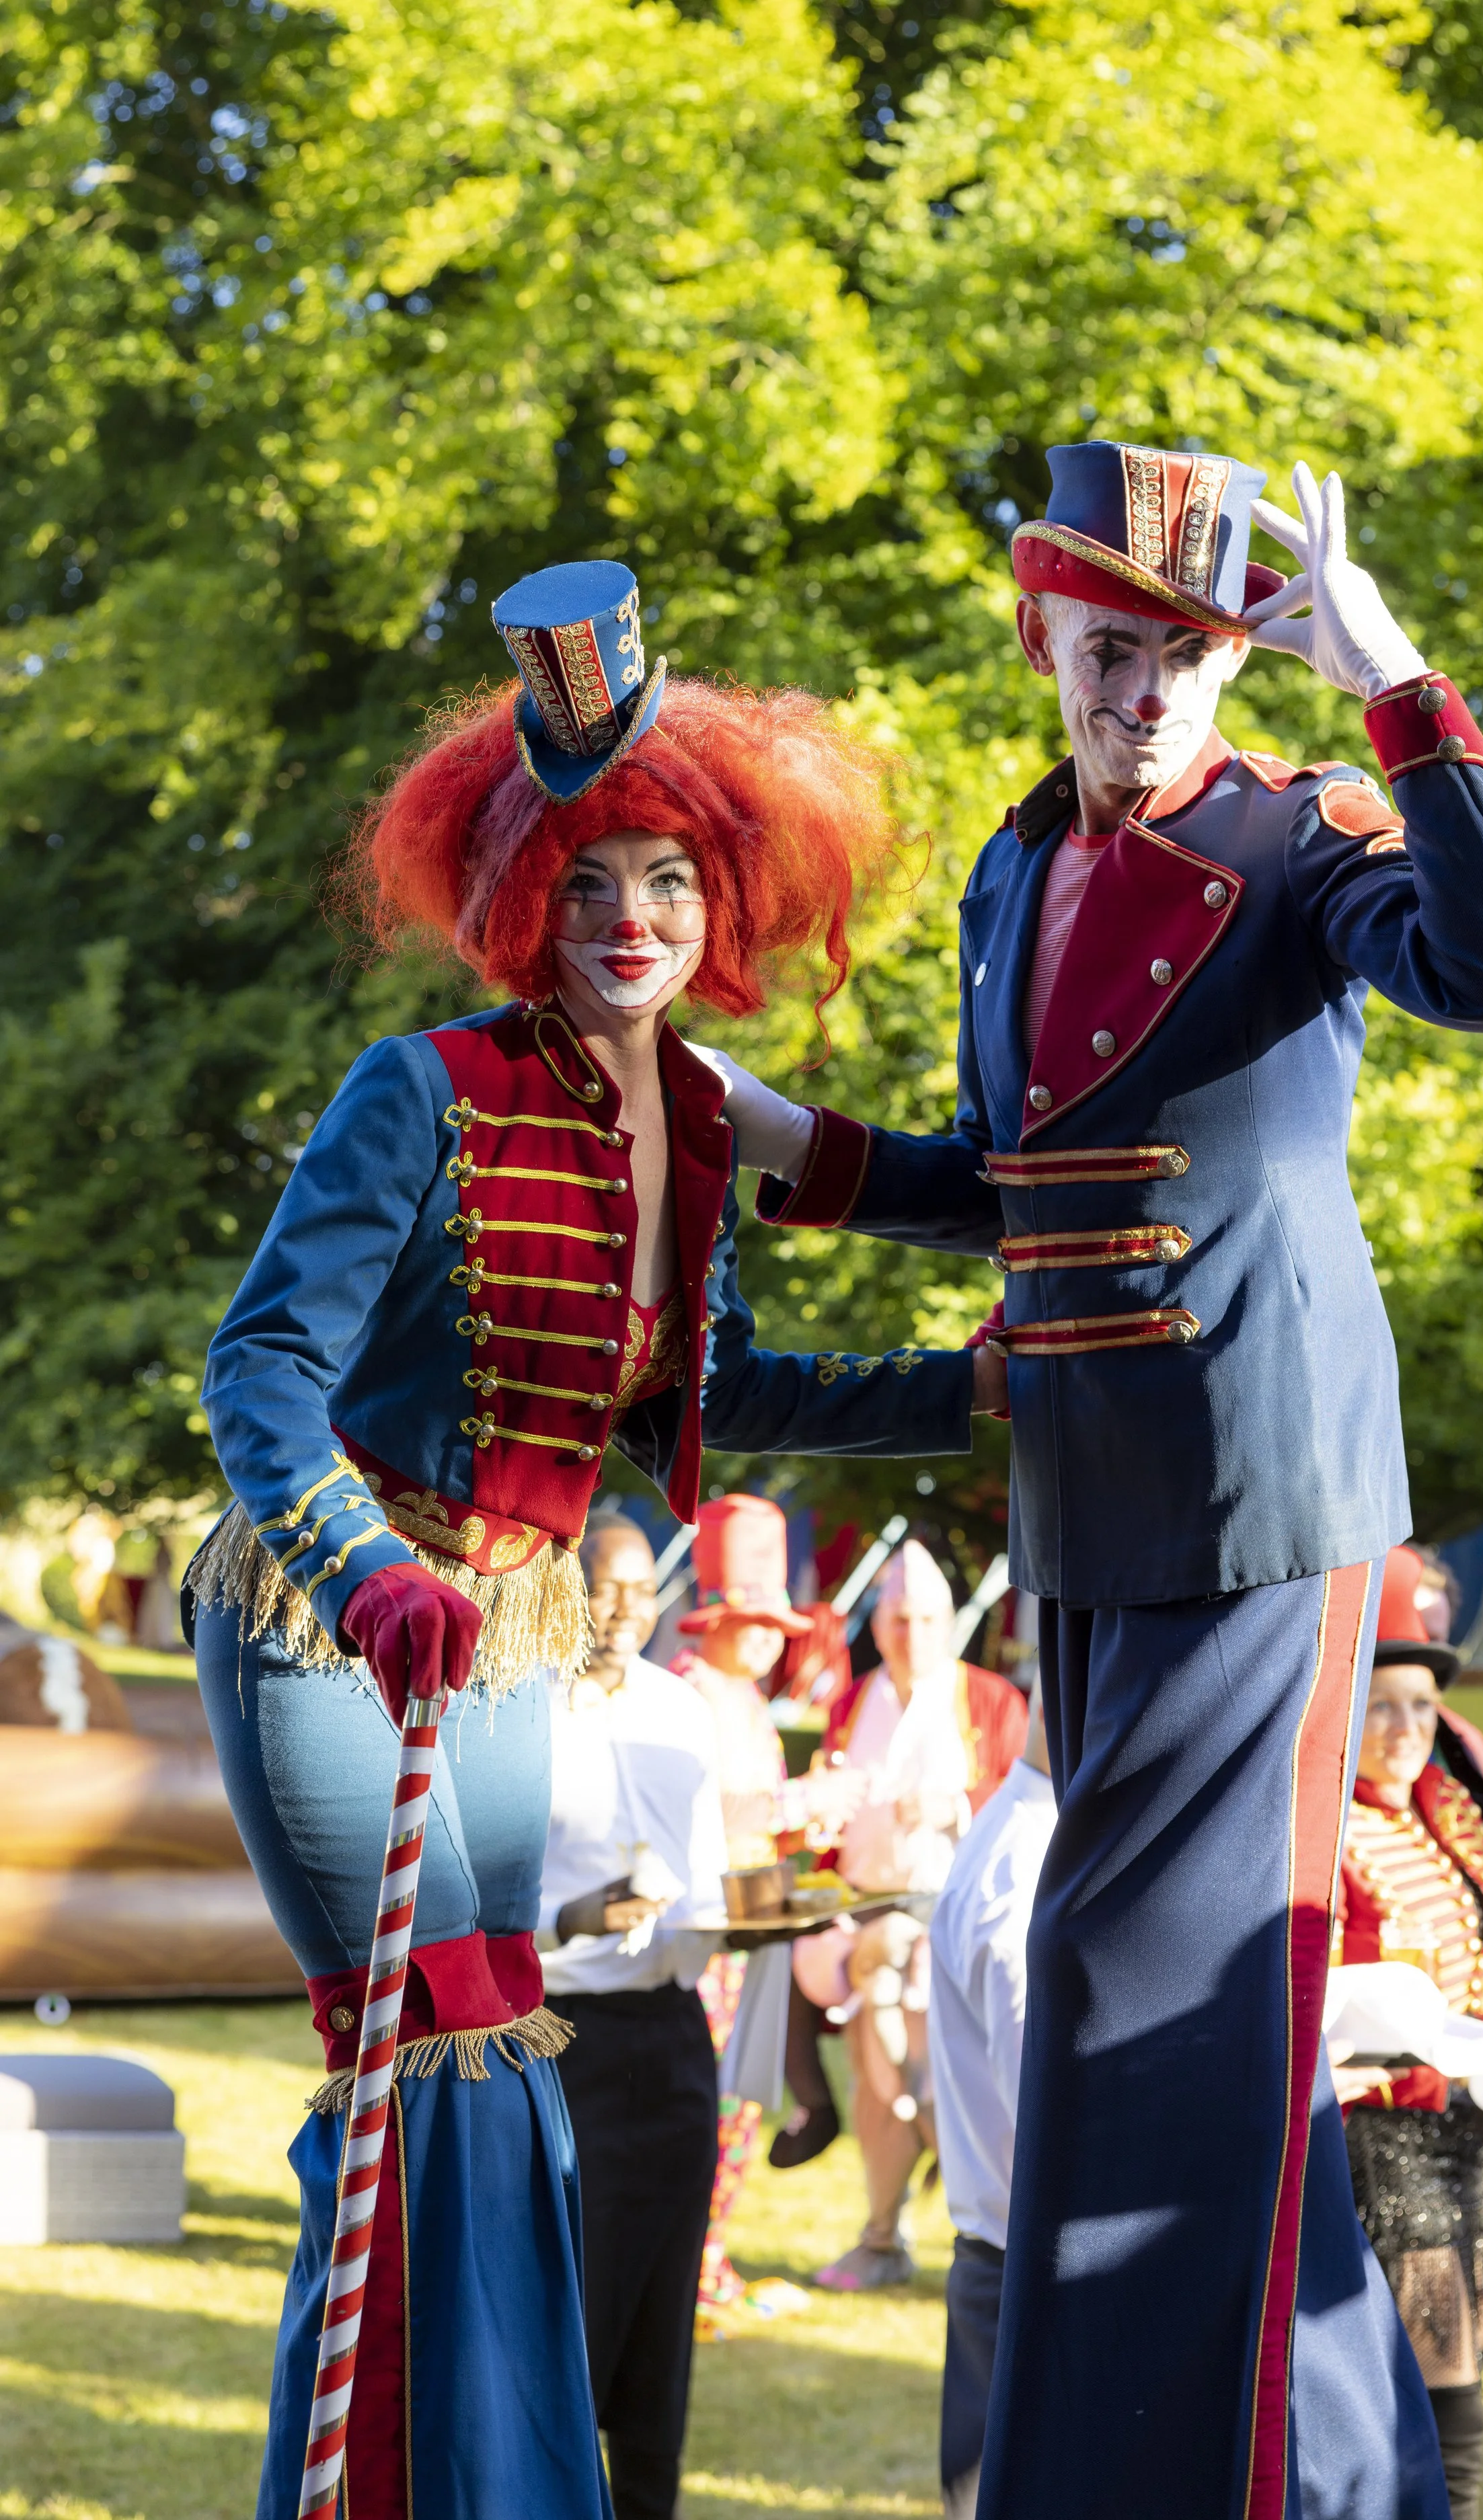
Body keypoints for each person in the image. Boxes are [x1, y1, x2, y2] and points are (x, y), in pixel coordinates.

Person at [712, 445, 1483, 2518]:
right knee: (1167, 2030)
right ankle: (1336, 2480)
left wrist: (1392, 681)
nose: (1148, 694)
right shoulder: (1013, 867)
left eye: (1186, 655)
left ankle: (1116, 2483)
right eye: (1111, 652)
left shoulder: (1301, 836)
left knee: (1148, 2006)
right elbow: (1013, 1187)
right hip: (1075, 1504)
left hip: (1257, 1501)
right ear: (1043, 640)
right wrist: (775, 1138)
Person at [185, 561, 988, 2520]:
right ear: (519, 901)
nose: (630, 917)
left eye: (668, 880)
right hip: (329, 1606)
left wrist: (973, 1389)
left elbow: (724, 1382)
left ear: (719, 903)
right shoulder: (423, 1094)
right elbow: (261, 1368)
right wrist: (369, 1573)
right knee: (421, 2054)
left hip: (514, 1628)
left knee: (502, 2060)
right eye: (589, 878)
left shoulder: (703, 1119)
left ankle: (501, 2484)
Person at [1332, 1548, 1483, 2520]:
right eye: (1382, 1704)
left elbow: (1477, 1972)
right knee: (1426, 2392)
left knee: (1445, 2388)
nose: (1405, 1729)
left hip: (1458, 2135)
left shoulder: (1442, 1812)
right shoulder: (1323, 1827)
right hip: (1372, 2135)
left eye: (1422, 1708)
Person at [541, 1513, 728, 2520]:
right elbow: (481, 1895)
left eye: (640, 1591)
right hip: (573, 2042)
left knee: (664, 2333)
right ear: (569, 1590)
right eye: (606, 1588)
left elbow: (708, 1877)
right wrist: (570, 1915)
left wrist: (748, 1919)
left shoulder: (682, 1709)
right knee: (582, 2319)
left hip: (675, 2035)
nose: (625, 1609)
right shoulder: (522, 1711)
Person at [794, 1539, 1028, 2287]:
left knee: (944, 2080)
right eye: (899, 1617)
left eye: (928, 1618)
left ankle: (975, 2236)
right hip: (868, 1916)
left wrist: (954, 1805)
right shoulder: (854, 1699)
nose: (912, 1633)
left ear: (951, 1622)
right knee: (880, 2084)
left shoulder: (991, 1699)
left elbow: (1025, 1806)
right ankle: (886, 2231)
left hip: (953, 1922)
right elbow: (830, 1815)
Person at [677, 1491, 826, 2312]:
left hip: (749, 1922)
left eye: (780, 1625)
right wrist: (801, 1804)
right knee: (713, 2096)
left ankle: (709, 2257)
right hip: (707, 1932)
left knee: (738, 2098)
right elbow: (706, 1813)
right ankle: (693, 2268)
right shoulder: (693, 1692)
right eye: (758, 1620)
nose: (772, 1639)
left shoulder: (737, 1696)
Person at [927, 1679, 1057, 2520]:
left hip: (1015, 2259)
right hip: (1022, 2270)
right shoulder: (1022, 1866)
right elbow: (1044, 2104)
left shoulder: (1041, 1835)